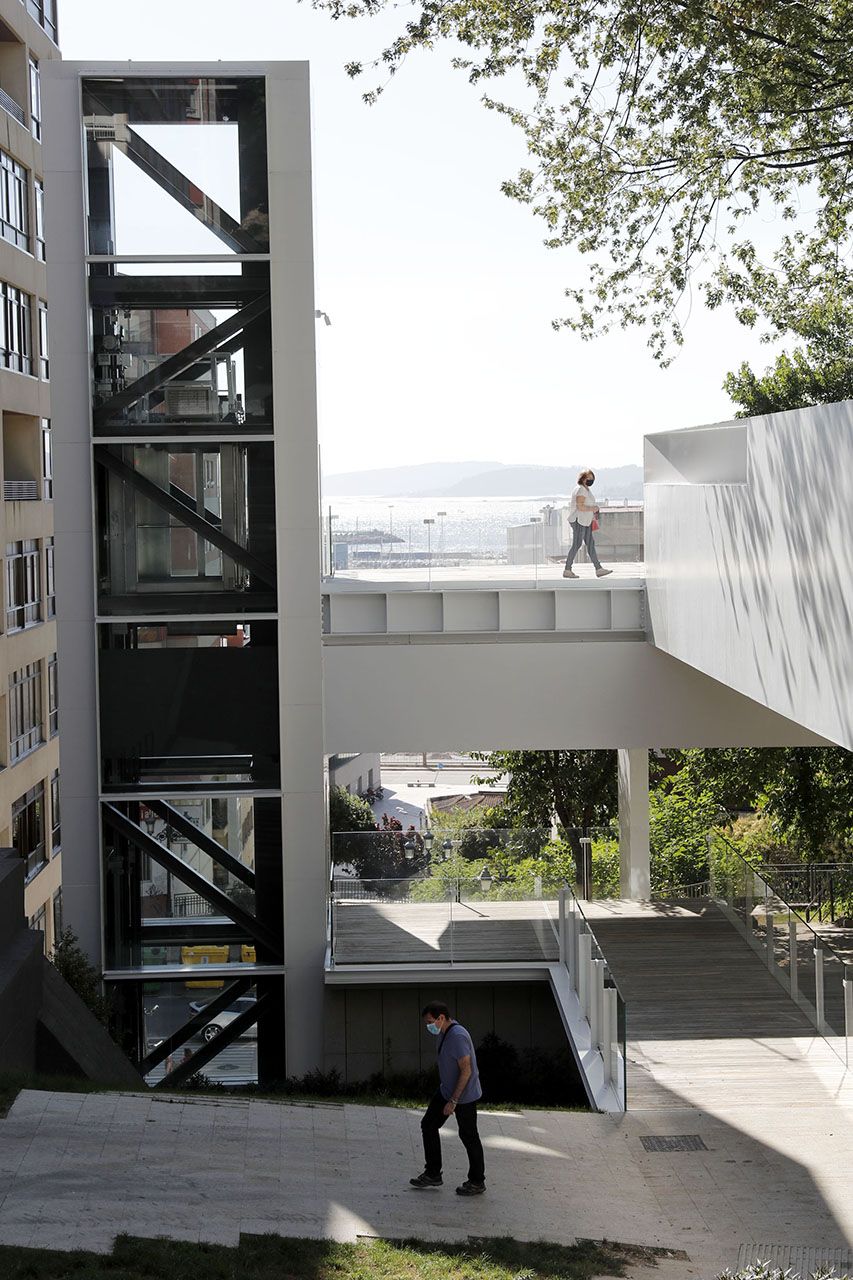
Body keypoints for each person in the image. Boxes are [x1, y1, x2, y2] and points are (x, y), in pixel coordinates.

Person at [410, 1002, 486, 1196]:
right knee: (428, 1125)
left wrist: (454, 1101)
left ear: (441, 1018)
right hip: (445, 1091)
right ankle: (433, 1173)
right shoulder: (444, 1032)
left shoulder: (458, 1036)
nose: (429, 1026)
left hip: (463, 1096)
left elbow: (466, 1070)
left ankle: (477, 1181)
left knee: (469, 1136)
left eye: (430, 1022)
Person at [563, 468, 612, 579]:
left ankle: (598, 569)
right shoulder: (581, 490)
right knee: (577, 544)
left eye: (592, 478)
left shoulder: (585, 490)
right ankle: (567, 569)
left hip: (585, 521)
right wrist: (593, 508)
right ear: (583, 479)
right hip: (579, 521)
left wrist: (593, 511)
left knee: (590, 544)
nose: (591, 480)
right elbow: (580, 506)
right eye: (589, 478)